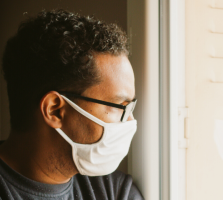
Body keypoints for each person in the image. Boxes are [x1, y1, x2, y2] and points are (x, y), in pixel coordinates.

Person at [0, 9, 143, 199]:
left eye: (130, 107)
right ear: (55, 110)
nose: (131, 121)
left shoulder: (114, 191)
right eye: (119, 106)